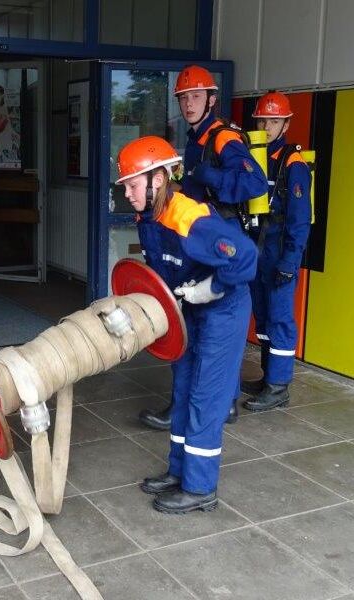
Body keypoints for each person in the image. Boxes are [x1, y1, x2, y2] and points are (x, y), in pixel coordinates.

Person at [117, 136, 257, 513]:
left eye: (132, 185)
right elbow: (159, 276)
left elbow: (245, 258)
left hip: (222, 311)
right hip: (188, 311)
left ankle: (199, 488)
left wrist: (212, 288)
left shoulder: (190, 217)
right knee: (183, 390)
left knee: (205, 398)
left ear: (157, 180)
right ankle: (179, 472)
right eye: (126, 186)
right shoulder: (150, 217)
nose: (127, 193)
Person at [138, 65, 267, 432]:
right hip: (198, 243)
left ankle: (213, 403)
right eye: (182, 97)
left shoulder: (222, 136)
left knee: (212, 331)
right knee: (195, 332)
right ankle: (204, 404)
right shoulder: (196, 138)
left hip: (218, 239)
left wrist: (205, 176)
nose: (188, 103)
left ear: (211, 99)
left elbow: (254, 182)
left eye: (195, 96)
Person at [242, 91, 311, 411]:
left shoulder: (293, 164)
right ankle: (269, 377)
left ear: (286, 124)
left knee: (281, 319)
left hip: (280, 250)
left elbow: (299, 221)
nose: (267, 126)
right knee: (265, 318)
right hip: (257, 249)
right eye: (263, 120)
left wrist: (290, 261)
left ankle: (279, 386)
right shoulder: (254, 157)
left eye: (274, 120)